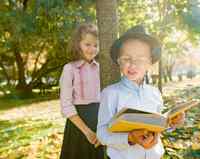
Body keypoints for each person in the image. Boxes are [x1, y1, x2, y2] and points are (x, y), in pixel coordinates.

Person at [97, 25, 184, 159]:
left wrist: (171, 123)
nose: (132, 64)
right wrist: (130, 138)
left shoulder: (154, 93)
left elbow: (158, 125)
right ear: (118, 61)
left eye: (140, 59)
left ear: (150, 63)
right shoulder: (110, 93)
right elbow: (102, 134)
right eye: (126, 59)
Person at [59, 23, 104, 159]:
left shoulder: (101, 68)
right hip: (78, 125)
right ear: (78, 44)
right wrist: (87, 131)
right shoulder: (69, 69)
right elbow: (66, 105)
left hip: (99, 122)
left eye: (96, 45)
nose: (92, 49)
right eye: (87, 44)